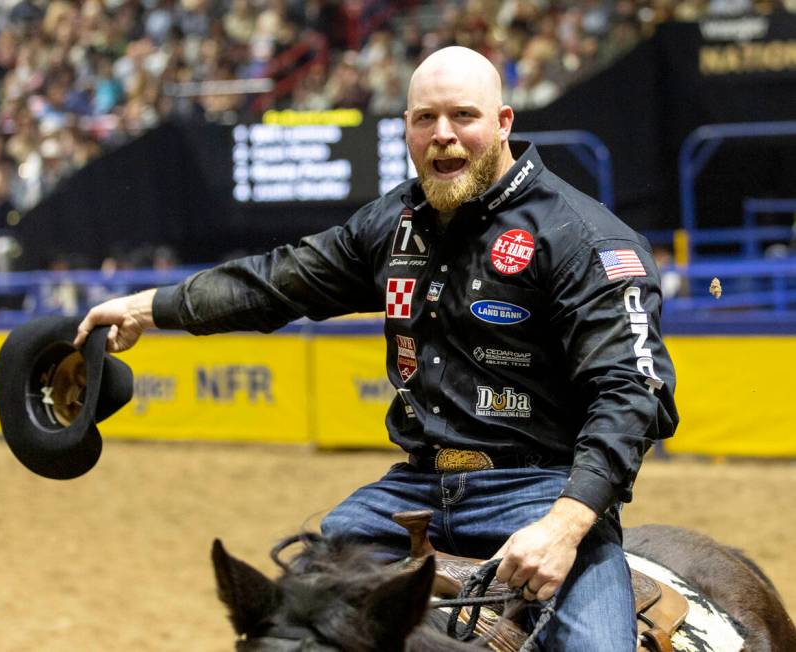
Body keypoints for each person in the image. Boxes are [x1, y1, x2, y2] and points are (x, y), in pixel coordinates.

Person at [75, 46, 678, 651]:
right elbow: (277, 282)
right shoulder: (392, 222)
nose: (442, 136)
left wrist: (566, 525)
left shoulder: (584, 236)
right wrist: (145, 308)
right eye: (424, 119)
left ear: (503, 123)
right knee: (290, 621)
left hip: (543, 490)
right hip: (411, 491)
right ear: (408, 129)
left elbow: (633, 394)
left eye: (463, 116)